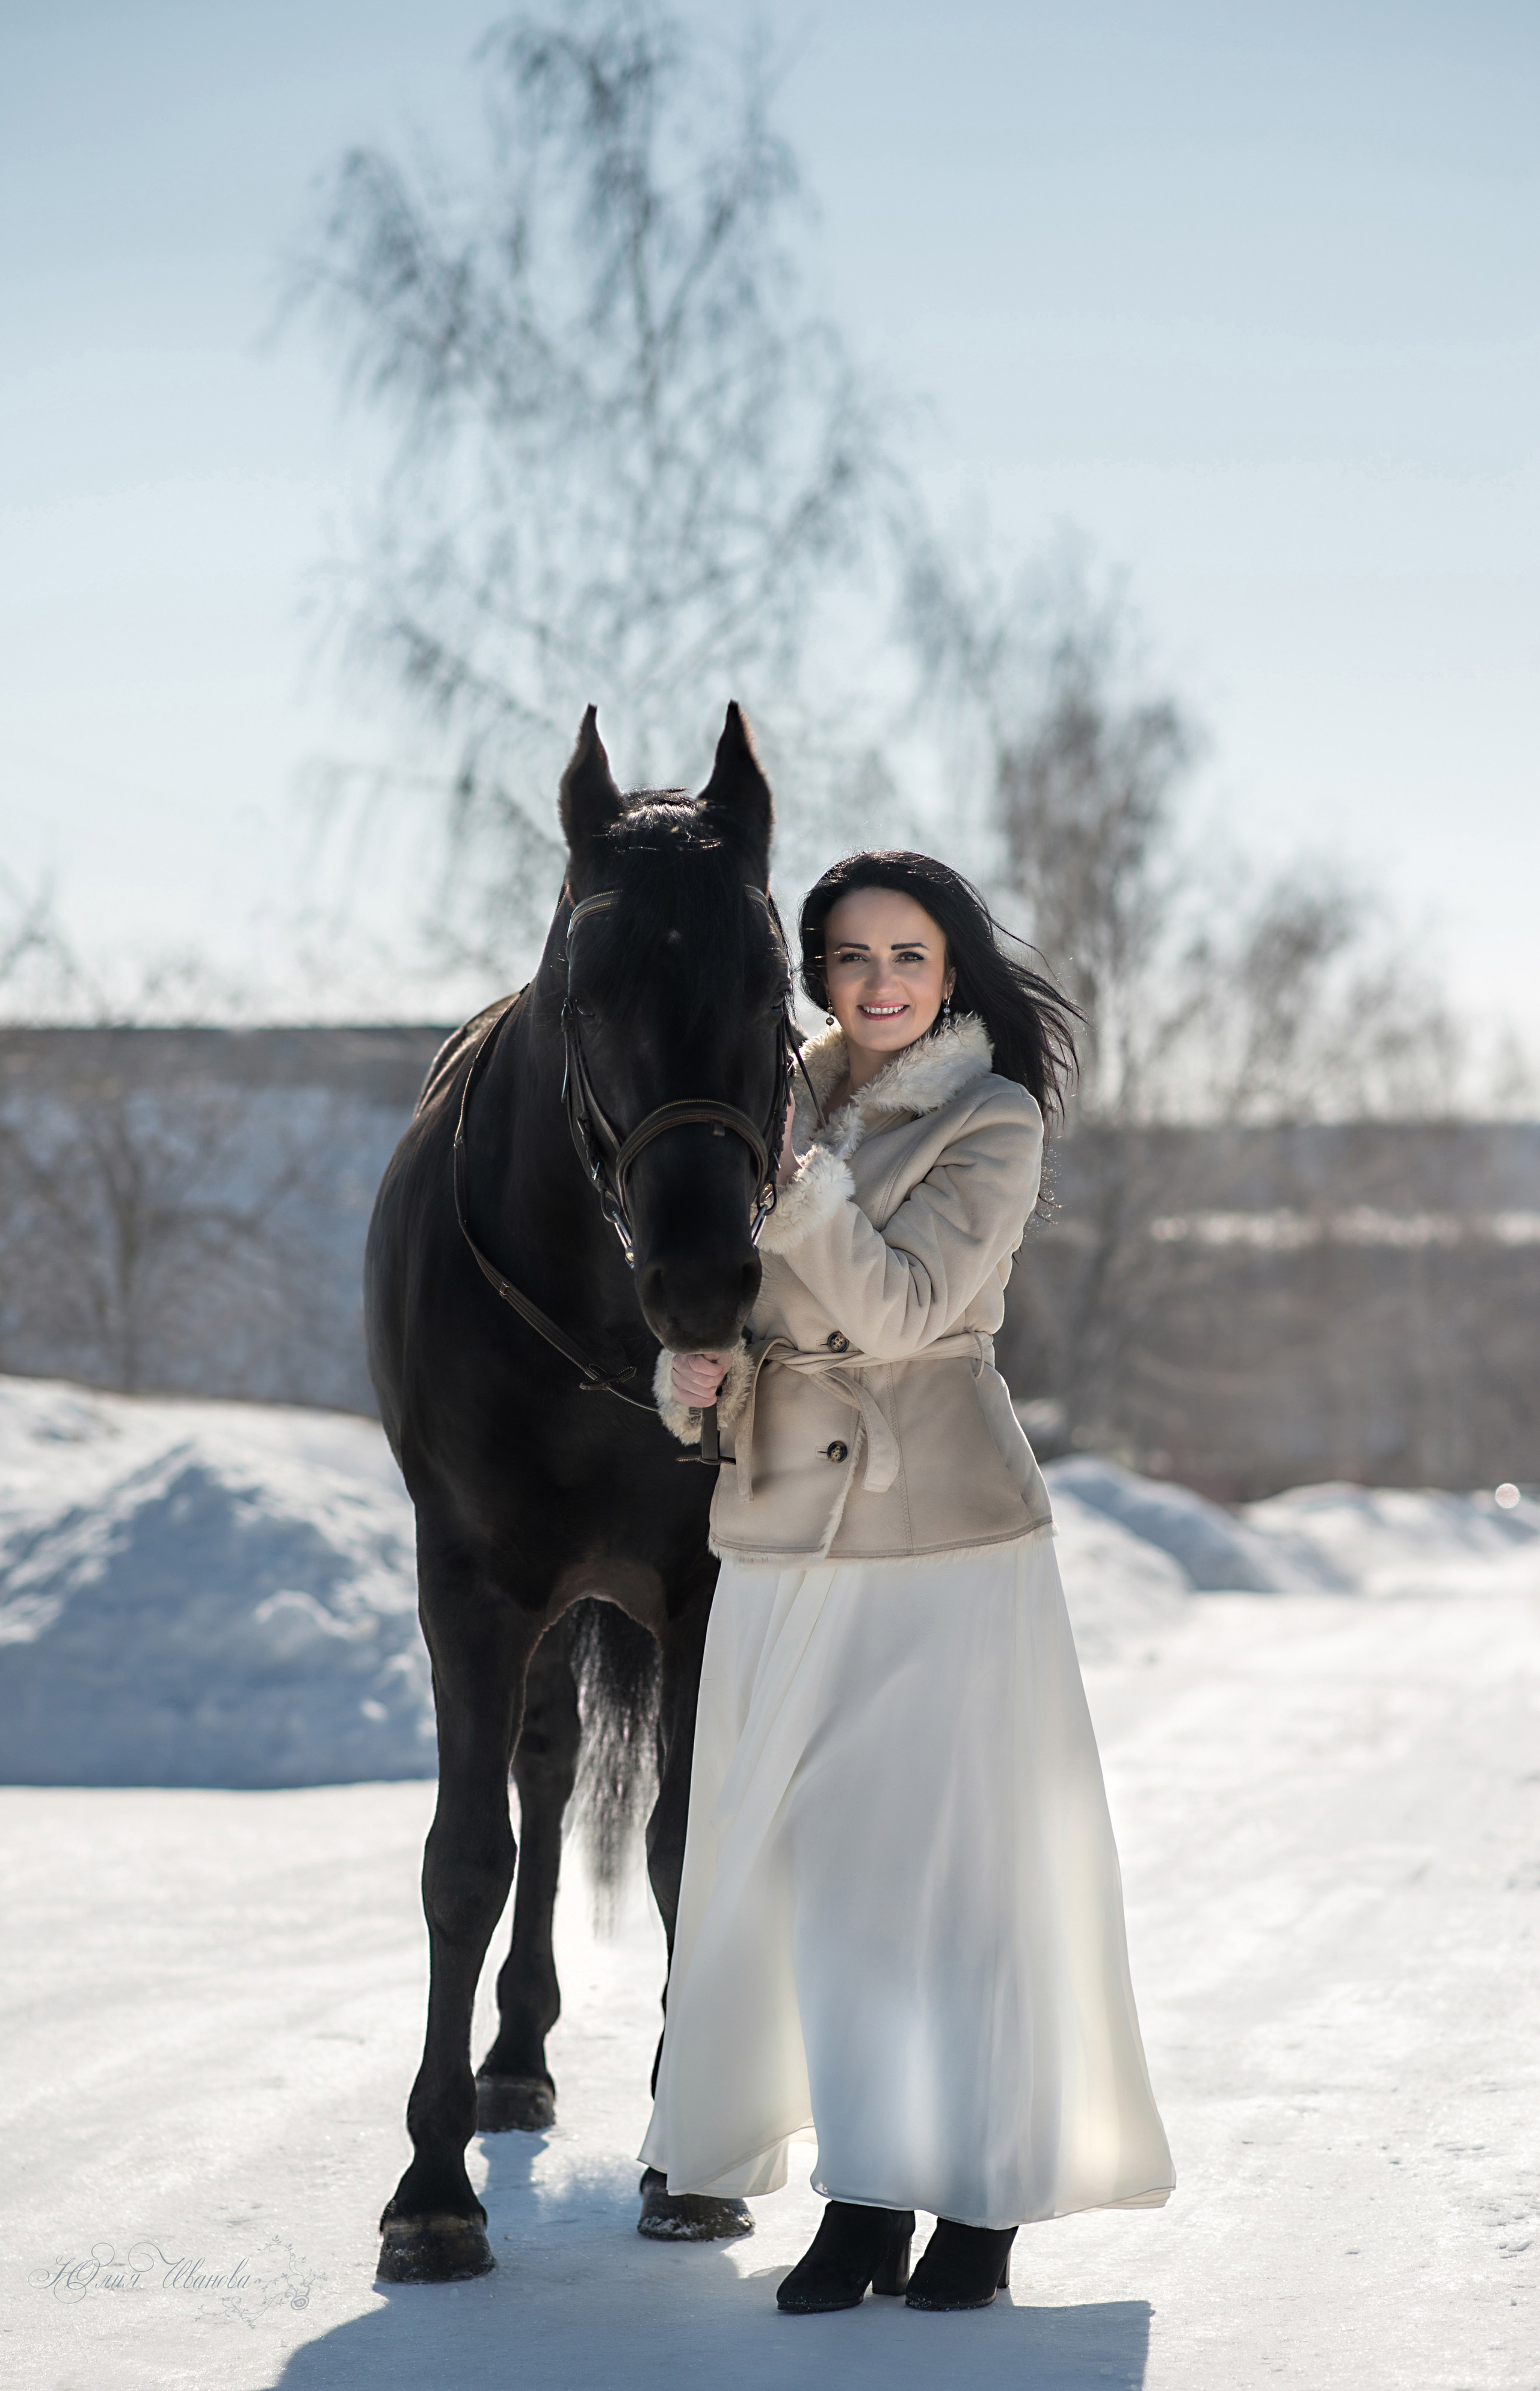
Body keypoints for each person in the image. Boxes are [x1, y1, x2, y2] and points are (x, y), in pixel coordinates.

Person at [639, 850, 1175, 2314]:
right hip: (773, 1533)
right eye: (849, 956)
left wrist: (799, 1193)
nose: (876, 982)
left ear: (951, 974)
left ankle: (980, 2201)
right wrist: (694, 1375)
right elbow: (755, 1326)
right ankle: (866, 2194)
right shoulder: (776, 1103)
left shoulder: (989, 1118)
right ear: (817, 972)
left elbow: (899, 1312)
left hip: (941, 1538)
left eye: (908, 956)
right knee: (816, 1885)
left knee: (956, 1882)